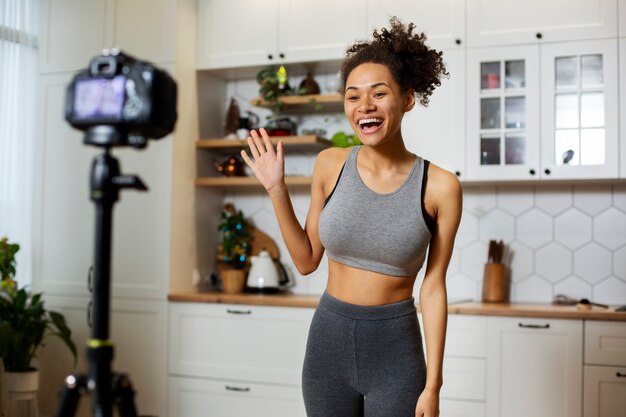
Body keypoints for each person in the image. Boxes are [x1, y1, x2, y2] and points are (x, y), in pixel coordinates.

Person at [241, 17, 462, 417]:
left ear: (408, 99)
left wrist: (434, 385)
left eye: (379, 94)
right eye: (352, 96)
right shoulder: (330, 165)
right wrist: (277, 189)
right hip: (328, 343)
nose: (365, 107)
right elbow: (307, 261)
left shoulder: (440, 186)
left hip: (396, 351)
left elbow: (433, 288)